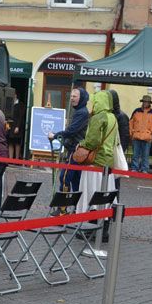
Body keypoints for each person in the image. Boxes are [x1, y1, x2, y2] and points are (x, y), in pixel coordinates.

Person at [76, 91, 118, 240]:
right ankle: (104, 231)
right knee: (105, 197)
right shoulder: (113, 117)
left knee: (92, 195)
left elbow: (92, 141)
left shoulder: (98, 117)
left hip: (95, 163)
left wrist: (81, 144)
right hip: (108, 163)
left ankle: (91, 229)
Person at [48, 87, 90, 193]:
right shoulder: (79, 111)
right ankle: (77, 207)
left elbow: (72, 131)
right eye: (71, 96)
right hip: (74, 149)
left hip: (75, 150)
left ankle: (63, 207)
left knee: (64, 177)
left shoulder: (82, 112)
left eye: (75, 96)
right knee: (76, 180)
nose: (72, 98)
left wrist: (55, 135)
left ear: (82, 98)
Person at [129, 94, 152, 173]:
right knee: (135, 154)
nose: (145, 103)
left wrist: (151, 131)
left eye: (147, 102)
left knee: (145, 155)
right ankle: (134, 168)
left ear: (149, 103)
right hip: (136, 136)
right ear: (142, 102)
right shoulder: (136, 111)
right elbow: (131, 123)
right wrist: (131, 133)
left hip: (147, 137)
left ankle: (144, 169)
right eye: (144, 102)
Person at [7, 94, 26, 159]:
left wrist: (17, 127)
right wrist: (7, 126)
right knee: (10, 142)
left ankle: (17, 159)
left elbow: (21, 117)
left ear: (15, 95)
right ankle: (10, 158)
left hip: (17, 126)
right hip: (10, 126)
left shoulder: (21, 104)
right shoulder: (9, 103)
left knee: (17, 143)